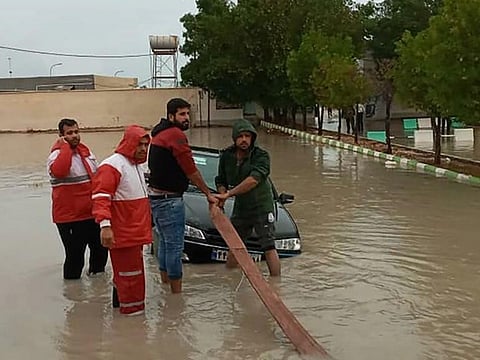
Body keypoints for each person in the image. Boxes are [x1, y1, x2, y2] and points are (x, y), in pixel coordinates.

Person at [148, 98, 217, 293]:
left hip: (156, 198)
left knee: (164, 243)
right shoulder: (175, 135)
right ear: (171, 116)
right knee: (175, 247)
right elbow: (190, 169)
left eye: (188, 114)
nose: (186, 118)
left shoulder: (159, 133)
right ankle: (177, 295)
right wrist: (207, 194)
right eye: (182, 114)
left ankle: (165, 286)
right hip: (170, 200)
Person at [91, 125, 152, 316]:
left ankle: (122, 311)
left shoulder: (135, 165)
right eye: (139, 144)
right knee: (130, 278)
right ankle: (133, 320)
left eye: (145, 145)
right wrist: (105, 226)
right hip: (123, 234)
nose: (143, 149)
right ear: (129, 143)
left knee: (126, 276)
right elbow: (100, 198)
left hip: (134, 233)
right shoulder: (112, 166)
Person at [214, 119, 281, 276]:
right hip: (241, 207)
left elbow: (253, 180)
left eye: (247, 136)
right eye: (240, 136)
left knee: (268, 246)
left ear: (252, 138)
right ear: (234, 138)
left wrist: (228, 194)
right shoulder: (227, 156)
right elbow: (221, 179)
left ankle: (277, 284)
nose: (244, 139)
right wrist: (222, 194)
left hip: (261, 206)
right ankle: (231, 279)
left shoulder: (261, 156)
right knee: (235, 245)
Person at [47, 118, 108, 280]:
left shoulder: (86, 153)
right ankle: (72, 293)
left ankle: (97, 289)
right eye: (69, 133)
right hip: (69, 218)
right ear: (61, 136)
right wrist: (65, 147)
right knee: (75, 257)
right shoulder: (55, 156)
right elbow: (59, 171)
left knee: (101, 251)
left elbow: (98, 179)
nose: (74, 136)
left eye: (76, 132)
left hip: (91, 214)